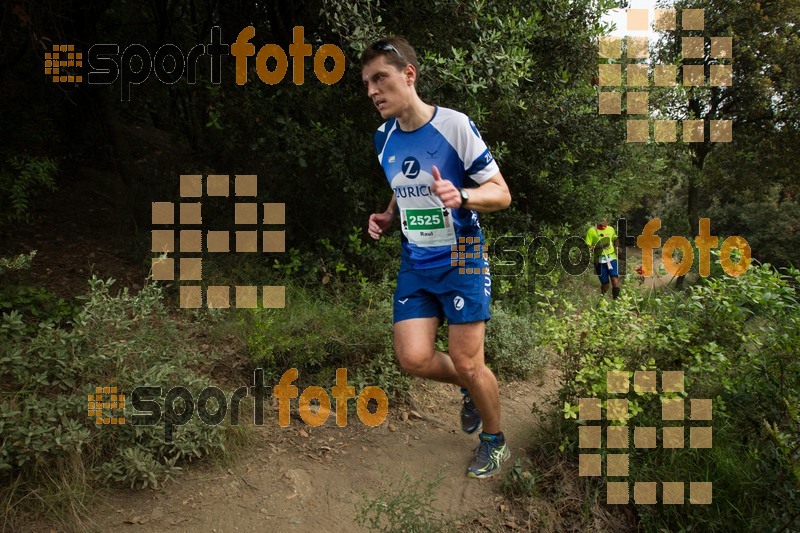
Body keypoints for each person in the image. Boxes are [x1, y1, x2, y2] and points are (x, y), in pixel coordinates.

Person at [361, 37, 512, 478]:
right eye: (368, 83)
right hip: (416, 260)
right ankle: (470, 388)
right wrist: (389, 216)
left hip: (463, 254)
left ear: (408, 75)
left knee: (468, 360)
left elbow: (501, 193)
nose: (372, 91)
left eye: (380, 78)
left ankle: (494, 439)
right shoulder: (382, 137)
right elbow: (401, 183)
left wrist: (462, 194)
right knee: (413, 359)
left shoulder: (454, 126)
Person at [585, 217, 621, 299]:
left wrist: (617, 246)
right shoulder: (591, 231)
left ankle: (616, 302)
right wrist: (599, 247)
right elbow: (587, 247)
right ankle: (602, 299)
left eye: (604, 218)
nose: (603, 220)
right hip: (599, 260)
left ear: (606, 219)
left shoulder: (611, 229)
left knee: (615, 281)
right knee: (605, 285)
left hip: (612, 258)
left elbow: (615, 238)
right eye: (601, 218)